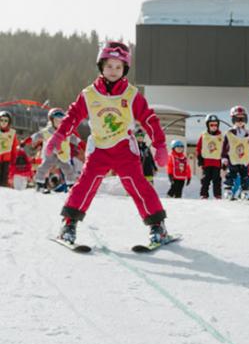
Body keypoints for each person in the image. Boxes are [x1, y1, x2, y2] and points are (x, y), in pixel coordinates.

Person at [47, 41, 170, 245]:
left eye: (118, 67)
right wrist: (59, 136)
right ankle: (69, 224)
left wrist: (160, 144)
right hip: (99, 149)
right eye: (109, 66)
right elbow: (73, 117)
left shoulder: (131, 95)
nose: (113, 71)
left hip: (124, 148)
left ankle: (157, 226)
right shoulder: (89, 94)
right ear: (101, 67)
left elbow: (149, 119)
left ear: (125, 69)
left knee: (138, 185)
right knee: (85, 184)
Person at [32, 108, 80, 192]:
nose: (59, 122)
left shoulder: (66, 131)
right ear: (51, 120)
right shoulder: (47, 131)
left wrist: (79, 144)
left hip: (62, 154)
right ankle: (40, 183)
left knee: (68, 168)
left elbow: (74, 138)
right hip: (51, 155)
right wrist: (31, 140)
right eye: (56, 120)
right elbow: (37, 135)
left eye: (61, 120)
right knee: (43, 167)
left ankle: (71, 185)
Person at [222, 106, 249, 200]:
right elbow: (225, 146)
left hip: (244, 158)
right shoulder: (230, 133)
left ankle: (245, 191)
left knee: (245, 176)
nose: (239, 121)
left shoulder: (248, 133)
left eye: (242, 119)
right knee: (231, 174)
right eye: (237, 119)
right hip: (233, 157)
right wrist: (224, 157)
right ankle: (228, 190)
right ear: (233, 119)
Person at [196, 114, 224, 200]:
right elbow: (199, 147)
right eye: (211, 125)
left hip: (217, 162)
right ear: (207, 125)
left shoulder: (221, 136)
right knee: (205, 179)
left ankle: (217, 195)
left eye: (216, 125)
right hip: (206, 162)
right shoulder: (204, 136)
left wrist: (224, 160)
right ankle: (204, 194)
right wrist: (199, 158)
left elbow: (224, 148)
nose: (214, 127)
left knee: (217, 180)